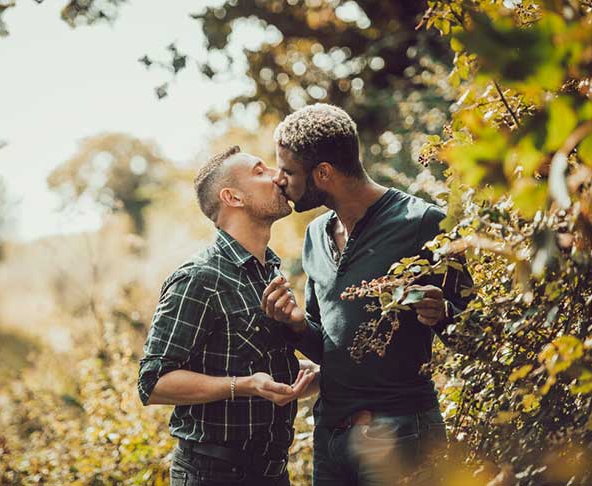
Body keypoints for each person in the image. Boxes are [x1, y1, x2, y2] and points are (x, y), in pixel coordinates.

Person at [261, 104, 473, 485]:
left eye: (288, 171)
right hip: (331, 439)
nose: (279, 180)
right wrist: (294, 324)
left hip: (401, 433)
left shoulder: (424, 223)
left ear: (322, 173)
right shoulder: (314, 236)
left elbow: (480, 334)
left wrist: (444, 313)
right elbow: (328, 348)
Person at [138, 146, 319, 485]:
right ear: (232, 197)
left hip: (272, 474)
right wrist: (247, 386)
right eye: (260, 171)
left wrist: (304, 374)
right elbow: (153, 383)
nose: (277, 176)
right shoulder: (199, 277)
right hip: (213, 475)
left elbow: (258, 363)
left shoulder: (269, 273)